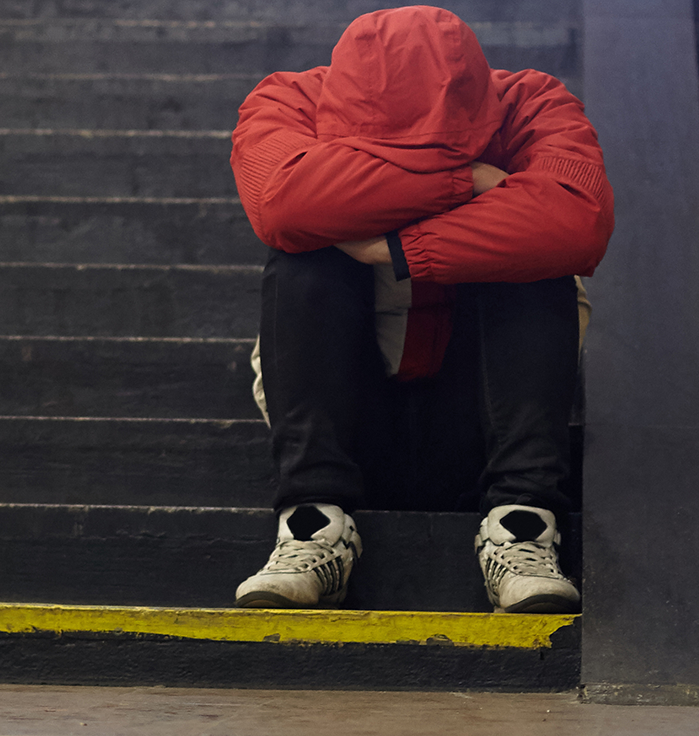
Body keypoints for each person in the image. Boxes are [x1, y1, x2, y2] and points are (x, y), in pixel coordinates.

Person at [227, 5, 614, 613]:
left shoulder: (532, 102)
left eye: (440, 141)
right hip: (349, 430)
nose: (417, 149)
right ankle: (313, 527)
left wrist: (398, 246)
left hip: (483, 432)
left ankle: (522, 527)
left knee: (534, 256)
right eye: (393, 144)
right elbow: (281, 206)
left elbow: (578, 222)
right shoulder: (290, 100)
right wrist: (471, 180)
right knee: (301, 254)